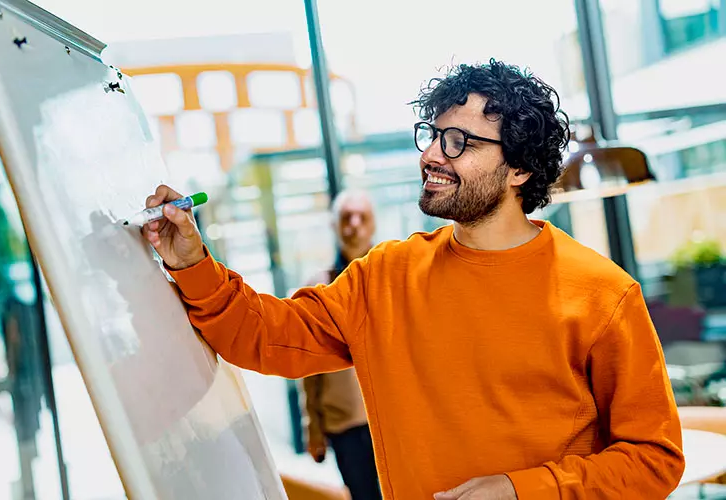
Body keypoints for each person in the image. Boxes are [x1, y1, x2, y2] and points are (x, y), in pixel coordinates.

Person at [141, 59, 684, 499]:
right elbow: (264, 336)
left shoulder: (603, 293)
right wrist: (191, 261)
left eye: (459, 142)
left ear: (519, 170)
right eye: (432, 135)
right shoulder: (386, 274)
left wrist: (521, 491)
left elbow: (653, 459)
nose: (430, 155)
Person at [301, 189, 382, 500]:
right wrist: (313, 427)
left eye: (363, 217)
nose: (355, 225)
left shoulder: (393, 275)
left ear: (373, 225)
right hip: (343, 425)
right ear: (335, 226)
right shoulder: (319, 288)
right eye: (347, 218)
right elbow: (308, 364)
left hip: (392, 418)